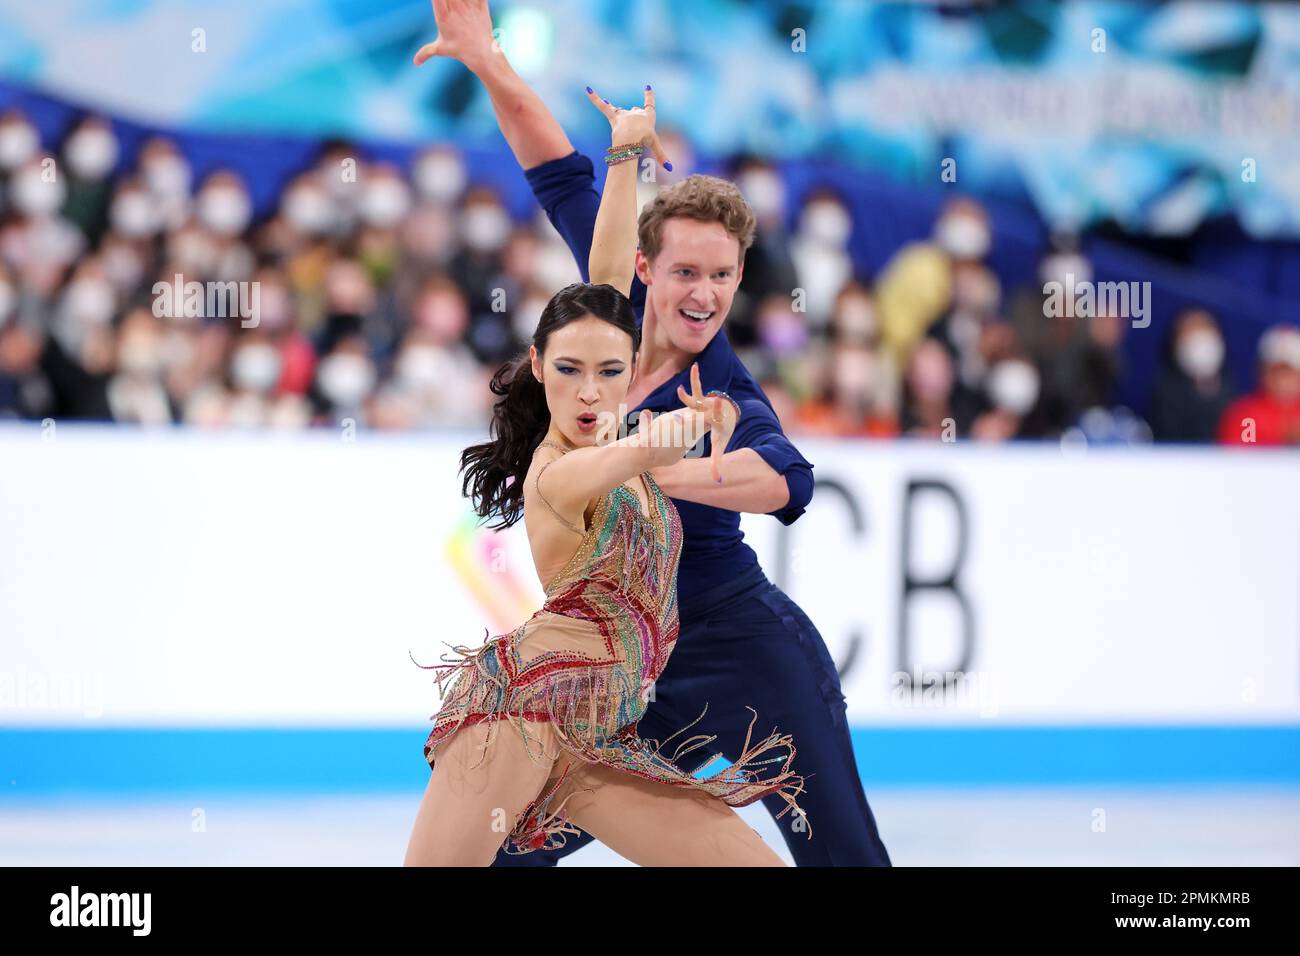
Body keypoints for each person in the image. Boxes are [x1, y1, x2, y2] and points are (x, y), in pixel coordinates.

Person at [413, 0, 892, 867]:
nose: (703, 292)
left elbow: (788, 482)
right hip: (625, 672)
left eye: (722, 274)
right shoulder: (607, 314)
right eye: (684, 272)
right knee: (516, 849)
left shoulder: (728, 393)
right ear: (646, 268)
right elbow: (556, 171)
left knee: (846, 860)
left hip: (748, 657)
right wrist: (487, 63)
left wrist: (651, 469)